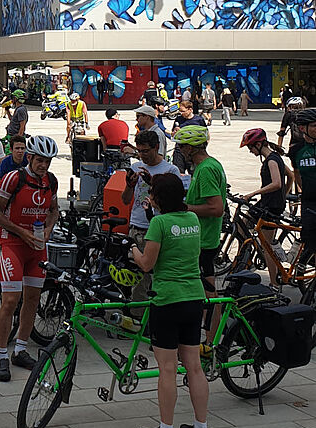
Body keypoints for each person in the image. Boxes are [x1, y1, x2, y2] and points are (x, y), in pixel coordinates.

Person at [131, 172, 210, 428]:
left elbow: (147, 264)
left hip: (166, 300)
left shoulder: (159, 223)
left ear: (157, 198)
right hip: (193, 299)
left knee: (167, 368)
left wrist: (133, 251)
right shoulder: (192, 220)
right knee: (195, 367)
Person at [0, 134, 60, 380]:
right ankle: (2, 354)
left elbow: (53, 209)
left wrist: (48, 229)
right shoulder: (13, 178)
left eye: (48, 161)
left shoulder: (50, 181)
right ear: (29, 157)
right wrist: (21, 232)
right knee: (10, 300)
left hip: (37, 246)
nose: (44, 166)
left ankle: (20, 349)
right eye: (40, 160)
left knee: (33, 299)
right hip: (13, 244)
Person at [179, 125, 227, 335]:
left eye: (182, 146)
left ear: (192, 148)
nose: (179, 150)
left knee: (209, 293)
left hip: (204, 241)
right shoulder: (208, 165)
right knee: (206, 290)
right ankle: (210, 337)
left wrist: (186, 208)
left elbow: (217, 208)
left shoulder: (206, 170)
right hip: (204, 239)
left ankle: (211, 340)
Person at [238, 128, 289, 288]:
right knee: (242, 224)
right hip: (266, 203)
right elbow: (291, 176)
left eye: (251, 147)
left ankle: (274, 283)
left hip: (271, 207)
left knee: (266, 246)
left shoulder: (272, 160)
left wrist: (253, 193)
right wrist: (284, 195)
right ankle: (248, 259)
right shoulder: (274, 157)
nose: (250, 151)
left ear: (259, 144)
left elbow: (276, 183)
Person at [121, 130, 187, 250]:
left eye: (146, 151)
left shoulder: (171, 170)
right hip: (137, 225)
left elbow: (174, 203)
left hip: (160, 225)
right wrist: (129, 185)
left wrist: (153, 184)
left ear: (156, 147)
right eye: (139, 151)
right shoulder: (136, 167)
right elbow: (125, 201)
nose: (142, 155)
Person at [289, 109, 316, 265]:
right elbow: (296, 173)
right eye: (314, 126)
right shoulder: (296, 150)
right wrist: (303, 190)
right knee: (310, 239)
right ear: (302, 128)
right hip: (309, 202)